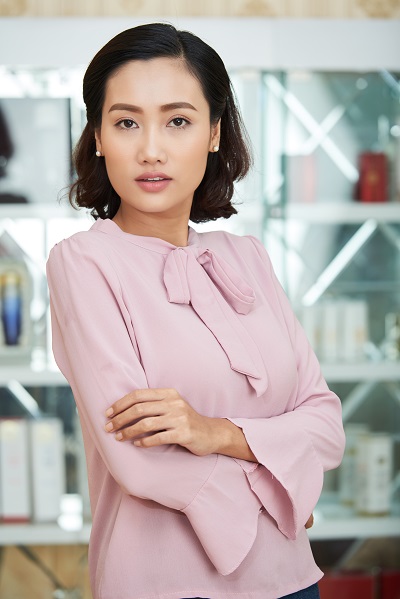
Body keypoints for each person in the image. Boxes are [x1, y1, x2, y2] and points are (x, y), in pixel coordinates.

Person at [46, 23, 345, 599]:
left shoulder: (248, 257)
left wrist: (214, 433)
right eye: (126, 121)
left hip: (292, 581)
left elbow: (325, 424)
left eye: (177, 121)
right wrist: (281, 476)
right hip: (166, 586)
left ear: (213, 133)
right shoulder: (83, 263)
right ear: (99, 136)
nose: (151, 148)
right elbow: (139, 462)